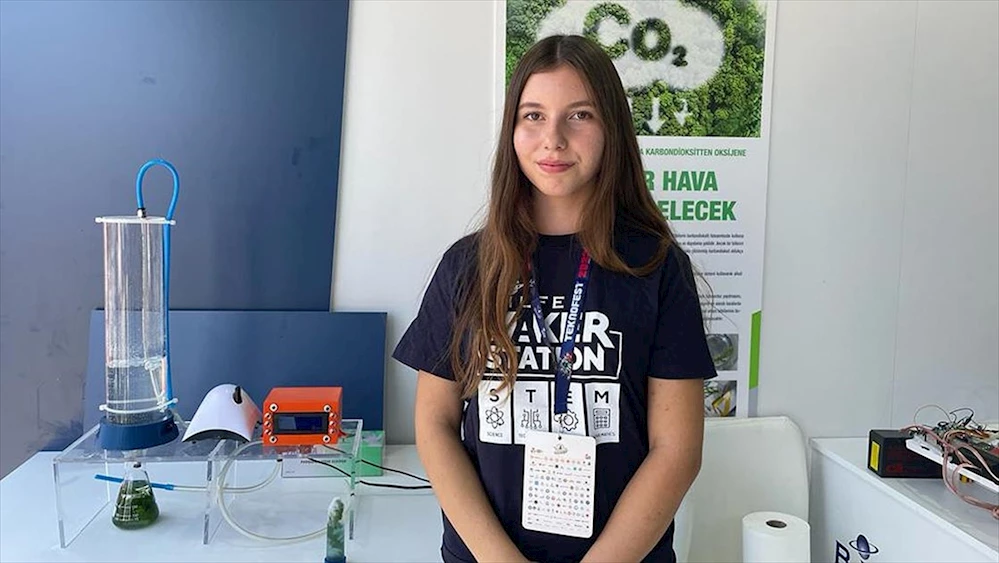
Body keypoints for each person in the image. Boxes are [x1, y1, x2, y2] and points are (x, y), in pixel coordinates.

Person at [392, 34, 717, 563]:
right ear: (512, 130)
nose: (554, 140)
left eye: (580, 115)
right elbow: (435, 425)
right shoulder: (467, 265)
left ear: (612, 129)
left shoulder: (656, 267)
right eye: (534, 116)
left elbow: (677, 451)